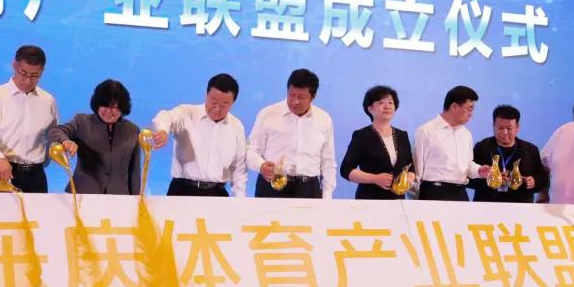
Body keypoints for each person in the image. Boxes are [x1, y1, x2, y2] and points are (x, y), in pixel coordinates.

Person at [0, 45, 58, 193]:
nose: (27, 80)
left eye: (34, 76)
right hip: (0, 172)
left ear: (42, 71)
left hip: (35, 176)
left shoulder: (48, 101)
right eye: (23, 73)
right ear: (14, 65)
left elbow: (52, 136)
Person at [151, 73, 247, 198]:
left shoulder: (236, 126)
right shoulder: (187, 113)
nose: (217, 108)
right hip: (182, 191)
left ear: (233, 103)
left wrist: (240, 201)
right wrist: (163, 130)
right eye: (213, 101)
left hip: (217, 193)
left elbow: (238, 170)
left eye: (224, 105)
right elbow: (165, 116)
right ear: (206, 94)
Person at [246, 69, 336, 199]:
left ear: (313, 96)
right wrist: (261, 166)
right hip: (273, 185)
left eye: (301, 97)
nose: (295, 101)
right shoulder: (268, 114)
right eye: (292, 95)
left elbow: (328, 162)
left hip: (308, 188)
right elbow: (251, 150)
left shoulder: (324, 119)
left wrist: (327, 195)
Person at [48, 79, 140, 195]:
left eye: (114, 107)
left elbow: (134, 170)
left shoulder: (133, 130)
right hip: (84, 194)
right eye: (104, 106)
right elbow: (56, 131)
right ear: (97, 105)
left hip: (119, 196)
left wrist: (136, 198)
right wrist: (65, 141)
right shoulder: (82, 122)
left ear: (122, 107)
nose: (108, 111)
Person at [413, 85, 490, 201]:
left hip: (460, 193)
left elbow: (467, 165)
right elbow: (416, 169)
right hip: (433, 192)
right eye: (469, 108)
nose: (471, 114)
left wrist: (479, 171)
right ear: (454, 106)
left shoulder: (466, 134)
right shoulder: (425, 131)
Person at [339, 85, 414, 200]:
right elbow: (346, 170)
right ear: (370, 109)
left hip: (398, 200)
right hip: (369, 199)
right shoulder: (361, 136)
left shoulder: (402, 135)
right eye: (381, 102)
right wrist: (375, 178)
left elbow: (411, 167)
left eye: (391, 102)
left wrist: (408, 179)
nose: (387, 106)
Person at [470, 105, 548, 203]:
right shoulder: (482, 147)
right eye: (500, 128)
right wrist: (489, 179)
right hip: (487, 204)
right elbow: (468, 177)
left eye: (509, 128)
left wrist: (533, 181)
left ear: (517, 127)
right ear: (493, 126)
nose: (504, 132)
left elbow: (542, 177)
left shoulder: (530, 150)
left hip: (520, 205)